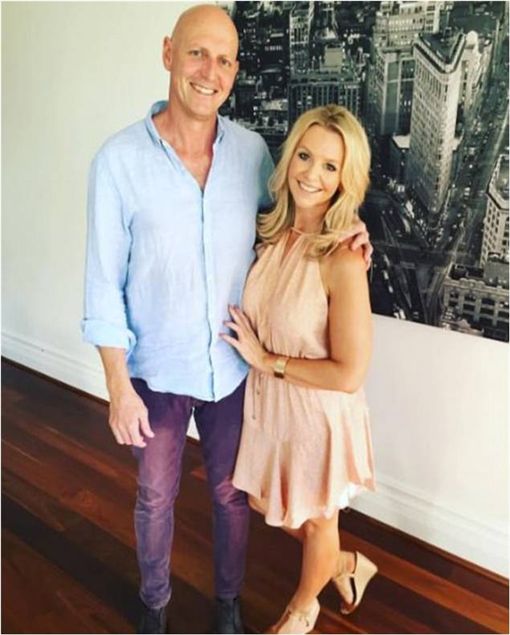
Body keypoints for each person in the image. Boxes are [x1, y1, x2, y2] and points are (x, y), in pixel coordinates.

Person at [82, 5, 372, 634]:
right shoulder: (117, 162)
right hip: (156, 373)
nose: (208, 71)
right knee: (155, 497)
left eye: (223, 60)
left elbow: (298, 211)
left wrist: (352, 227)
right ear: (168, 54)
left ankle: (228, 605)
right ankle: (155, 606)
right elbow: (102, 285)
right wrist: (117, 386)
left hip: (233, 370)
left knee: (231, 496)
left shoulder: (252, 153)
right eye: (196, 53)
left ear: (235, 72)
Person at [221, 104, 377, 634]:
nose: (312, 174)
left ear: (346, 178)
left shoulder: (344, 258)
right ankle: (345, 566)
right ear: (288, 157)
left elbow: (349, 374)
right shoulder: (272, 233)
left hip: (316, 410)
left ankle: (301, 611)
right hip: (271, 404)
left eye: (330, 166)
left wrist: (268, 361)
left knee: (318, 520)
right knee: (268, 502)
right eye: (305, 156)